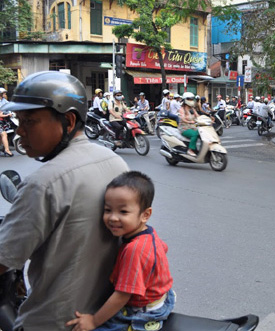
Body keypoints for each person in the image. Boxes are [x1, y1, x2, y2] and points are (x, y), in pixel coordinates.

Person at [0, 71, 129, 330]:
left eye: (30, 121)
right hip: (104, 315)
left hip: (53, 322)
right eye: (18, 120)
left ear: (68, 121)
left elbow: (3, 261)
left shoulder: (42, 183)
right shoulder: (115, 161)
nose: (20, 131)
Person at [66, 171, 174, 331]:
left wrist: (93, 321)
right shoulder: (147, 233)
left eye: (123, 212)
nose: (113, 218)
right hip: (164, 295)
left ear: (145, 214)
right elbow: (163, 248)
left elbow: (122, 296)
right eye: (108, 210)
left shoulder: (134, 250)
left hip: (143, 310)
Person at [179, 92, 200, 156]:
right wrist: (190, 122)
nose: (191, 101)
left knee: (202, 133)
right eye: (189, 99)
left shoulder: (192, 108)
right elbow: (183, 119)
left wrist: (205, 120)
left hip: (193, 126)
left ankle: (197, 149)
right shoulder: (182, 109)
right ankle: (190, 150)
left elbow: (197, 116)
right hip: (184, 128)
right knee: (194, 135)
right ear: (185, 100)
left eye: (192, 99)